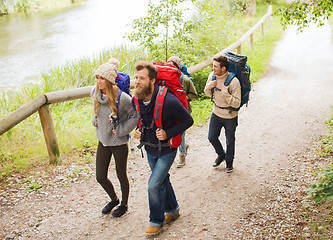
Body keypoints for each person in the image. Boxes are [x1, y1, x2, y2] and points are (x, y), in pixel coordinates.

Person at [132, 61, 193, 235]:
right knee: (162, 180)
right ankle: (173, 211)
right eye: (136, 77)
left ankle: (156, 221)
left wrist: (169, 133)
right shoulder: (136, 99)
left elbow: (188, 120)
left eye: (141, 78)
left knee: (153, 185)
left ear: (152, 80)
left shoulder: (169, 100)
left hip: (167, 150)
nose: (137, 81)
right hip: (150, 149)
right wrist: (139, 130)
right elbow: (142, 121)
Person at [91, 58, 137, 218]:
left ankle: (124, 204)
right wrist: (95, 120)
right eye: (97, 78)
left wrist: (121, 130)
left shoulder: (123, 98)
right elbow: (95, 111)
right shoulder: (95, 93)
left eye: (102, 78)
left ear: (110, 80)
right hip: (103, 141)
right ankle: (114, 199)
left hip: (118, 143)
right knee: (100, 177)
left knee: (121, 174)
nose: (98, 81)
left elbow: (135, 116)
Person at [204, 55, 241, 173]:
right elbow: (208, 94)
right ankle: (221, 155)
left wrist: (226, 94)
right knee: (212, 137)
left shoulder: (234, 82)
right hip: (216, 113)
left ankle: (229, 162)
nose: (212, 68)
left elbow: (237, 103)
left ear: (223, 68)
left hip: (230, 116)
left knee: (230, 140)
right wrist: (208, 87)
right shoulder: (212, 76)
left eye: (215, 66)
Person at [167, 56, 197, 168]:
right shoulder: (166, 79)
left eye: (172, 65)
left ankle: (182, 155)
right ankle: (183, 147)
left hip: (184, 111)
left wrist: (183, 99)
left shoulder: (185, 80)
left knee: (181, 134)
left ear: (177, 66)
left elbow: (193, 94)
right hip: (171, 111)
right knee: (177, 133)